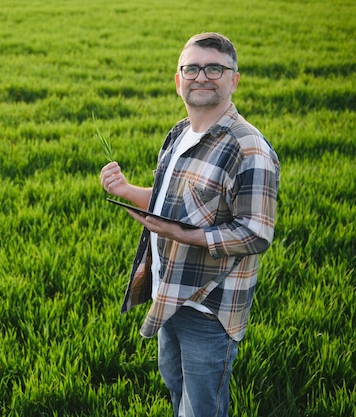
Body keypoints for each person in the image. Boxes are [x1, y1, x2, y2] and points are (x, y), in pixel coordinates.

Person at [99, 32, 280, 417]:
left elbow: (256, 234)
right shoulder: (180, 133)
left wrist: (182, 235)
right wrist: (128, 189)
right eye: (192, 68)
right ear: (178, 79)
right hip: (168, 291)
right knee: (174, 384)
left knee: (202, 407)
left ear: (234, 79)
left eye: (215, 68)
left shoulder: (250, 149)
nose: (202, 77)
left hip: (208, 305)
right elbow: (172, 204)